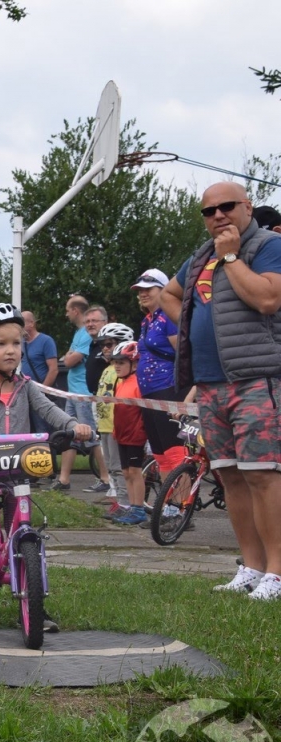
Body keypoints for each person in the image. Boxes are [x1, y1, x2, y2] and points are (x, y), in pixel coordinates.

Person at [158, 182, 281, 600]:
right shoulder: (200, 256)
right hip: (210, 382)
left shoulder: (268, 246)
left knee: (262, 474)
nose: (218, 216)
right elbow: (169, 295)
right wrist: (197, 323)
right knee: (229, 476)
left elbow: (268, 299)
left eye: (226, 206)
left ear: (247, 207)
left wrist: (230, 257)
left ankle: (277, 572)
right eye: (208, 211)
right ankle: (251, 567)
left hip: (256, 378)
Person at [0, 304, 90, 632]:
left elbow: (50, 411)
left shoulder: (26, 386)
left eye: (16, 343)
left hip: (18, 472)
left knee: (25, 533)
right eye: (1, 344)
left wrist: (72, 425)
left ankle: (37, 604)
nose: (11, 350)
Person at [47, 296, 111, 494]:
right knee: (70, 434)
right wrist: (70, 355)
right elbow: (68, 356)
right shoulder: (80, 333)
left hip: (85, 394)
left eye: (68, 310)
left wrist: (70, 355)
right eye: (88, 321)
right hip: (72, 393)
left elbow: (69, 360)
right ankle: (64, 479)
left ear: (75, 310)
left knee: (92, 436)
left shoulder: (88, 336)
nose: (66, 314)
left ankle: (106, 478)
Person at [132, 270, 186, 477]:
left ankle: (181, 497)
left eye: (149, 289)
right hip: (149, 393)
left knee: (175, 452)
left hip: (168, 389)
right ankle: (168, 496)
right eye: (140, 290)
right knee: (160, 454)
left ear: (164, 290)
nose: (142, 293)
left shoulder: (168, 317)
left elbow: (183, 354)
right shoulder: (147, 320)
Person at [102, 343, 149, 526]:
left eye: (121, 362)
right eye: (115, 362)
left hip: (135, 435)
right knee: (126, 472)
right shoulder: (121, 382)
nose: (116, 366)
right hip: (121, 434)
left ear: (135, 364)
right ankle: (131, 506)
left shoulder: (138, 383)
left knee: (135, 472)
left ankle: (139, 509)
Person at [94, 322, 135, 498]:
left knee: (119, 467)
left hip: (116, 426)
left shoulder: (123, 372)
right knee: (110, 466)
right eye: (102, 345)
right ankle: (118, 499)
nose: (105, 348)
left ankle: (125, 501)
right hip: (104, 425)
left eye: (109, 344)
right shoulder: (108, 369)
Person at [19, 310, 59, 388]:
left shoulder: (46, 341)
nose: (19, 327)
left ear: (31, 323)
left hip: (41, 390)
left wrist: (42, 390)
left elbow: (53, 370)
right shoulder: (21, 343)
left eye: (21, 323)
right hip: (26, 389)